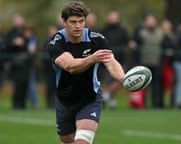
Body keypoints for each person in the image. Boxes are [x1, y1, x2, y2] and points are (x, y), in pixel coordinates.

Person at [47, 1, 125, 144]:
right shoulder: (56, 42)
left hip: (90, 98)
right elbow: (70, 66)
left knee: (82, 141)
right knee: (66, 139)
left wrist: (124, 79)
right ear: (64, 22)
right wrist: (92, 58)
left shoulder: (97, 40)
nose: (78, 26)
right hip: (65, 100)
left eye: (81, 21)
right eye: (73, 22)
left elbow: (111, 62)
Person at [99, 9, 129, 109]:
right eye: (111, 16)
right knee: (107, 82)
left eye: (115, 16)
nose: (113, 18)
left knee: (121, 80)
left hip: (120, 60)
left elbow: (128, 42)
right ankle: (111, 100)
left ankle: (106, 96)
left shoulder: (123, 30)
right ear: (107, 17)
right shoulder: (103, 30)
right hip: (106, 60)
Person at [136, 14, 164, 108]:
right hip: (144, 63)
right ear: (145, 22)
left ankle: (156, 103)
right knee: (143, 85)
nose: (151, 23)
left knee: (156, 85)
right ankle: (142, 104)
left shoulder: (161, 33)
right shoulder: (141, 33)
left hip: (156, 62)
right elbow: (135, 44)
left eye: (153, 20)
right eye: (149, 20)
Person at [5, 12, 30, 110]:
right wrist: (14, 43)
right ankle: (16, 105)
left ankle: (23, 105)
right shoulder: (10, 33)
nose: (18, 21)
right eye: (16, 19)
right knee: (17, 84)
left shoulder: (26, 31)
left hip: (25, 62)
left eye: (19, 19)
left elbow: (30, 44)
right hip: (15, 62)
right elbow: (6, 46)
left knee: (25, 83)